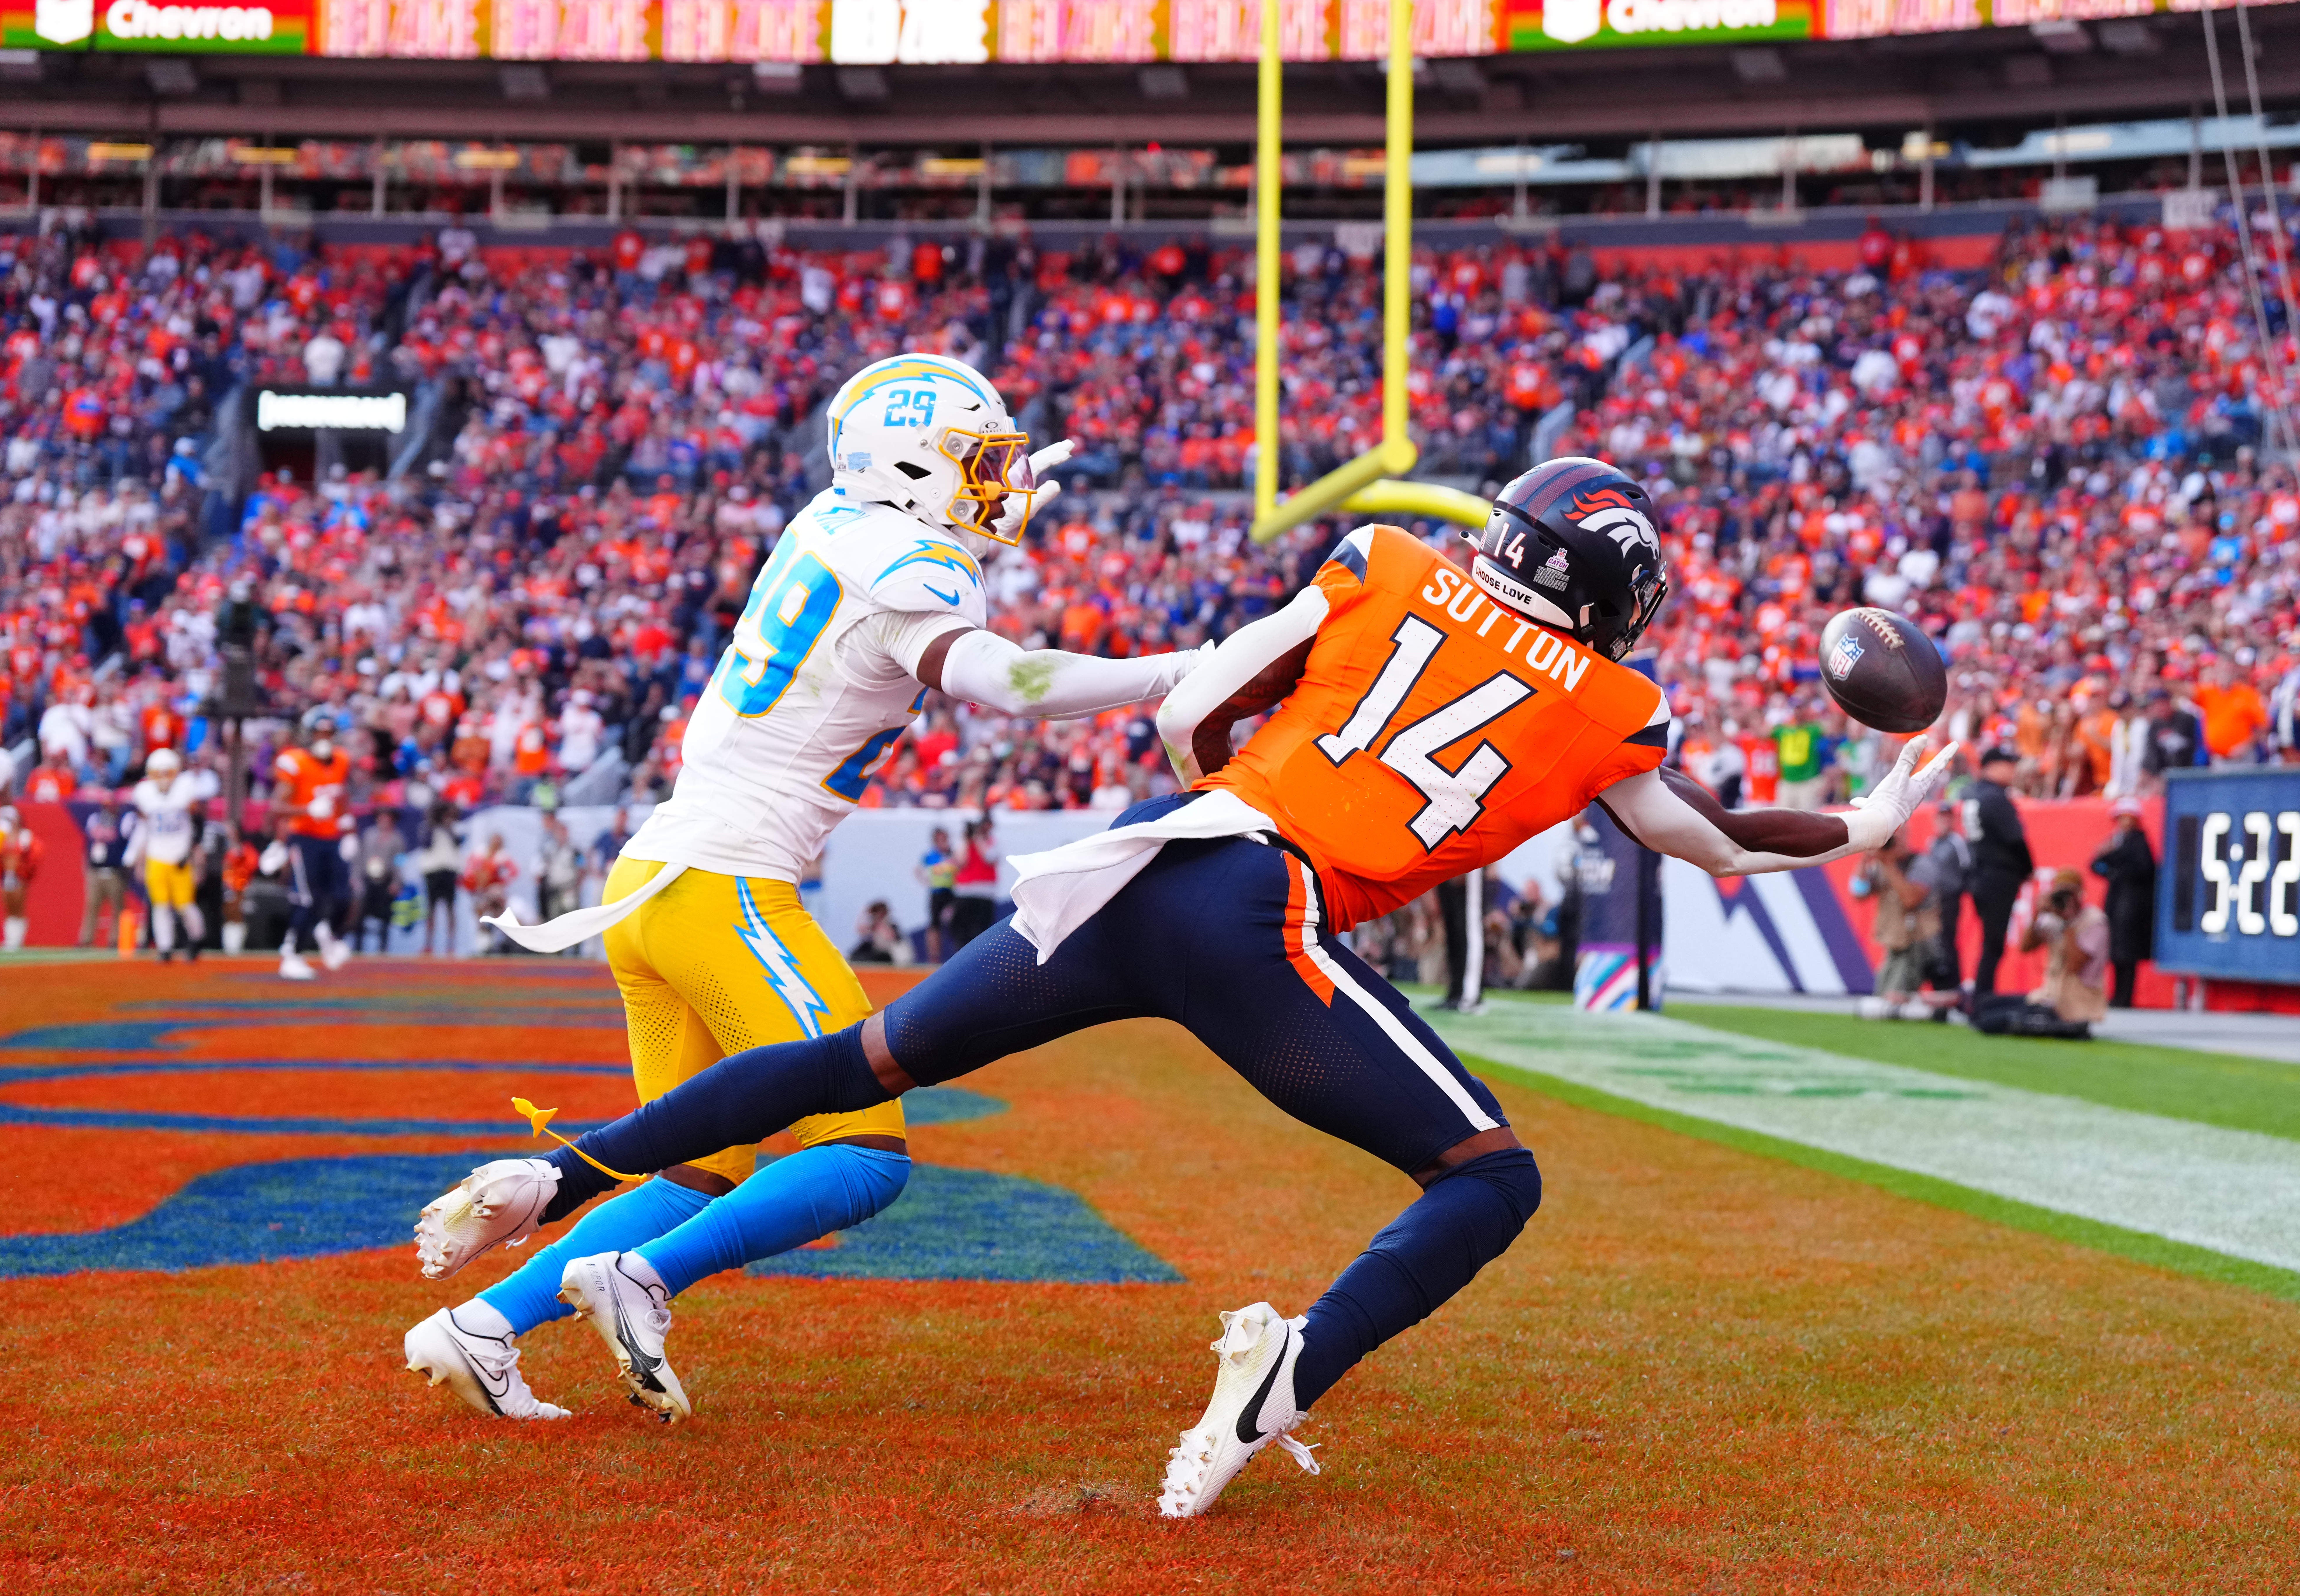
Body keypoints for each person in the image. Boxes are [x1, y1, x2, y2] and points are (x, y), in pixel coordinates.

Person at [415, 457, 1953, 1512]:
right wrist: (1871, 821)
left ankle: (555, 1178)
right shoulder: (1615, 702)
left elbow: (1193, 708)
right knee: (1490, 1175)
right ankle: (1287, 1368)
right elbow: (1712, 844)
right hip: (1261, 914)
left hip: (1141, 861)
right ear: (1610, 590)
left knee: (856, 1059)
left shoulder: (1383, 560)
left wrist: (1231, 795)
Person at [404, 354, 1200, 1423]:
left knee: (696, 1166)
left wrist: (966, 525)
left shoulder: (836, 523)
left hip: (657, 880)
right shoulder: (912, 570)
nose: (999, 484)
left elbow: (890, 612)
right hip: (725, 888)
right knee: (863, 1156)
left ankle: (481, 1325)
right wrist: (1175, 669)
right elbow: (1010, 681)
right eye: (975, 463)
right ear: (911, 468)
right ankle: (637, 1279)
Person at [1971, 870, 2108, 1037]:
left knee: (1990, 1022)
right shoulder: (2054, 918)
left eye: (2070, 893)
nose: (2066, 899)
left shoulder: (2095, 922)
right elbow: (2025, 948)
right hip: (2047, 997)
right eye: (2061, 893)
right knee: (1984, 1005)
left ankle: (2067, 1028)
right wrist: (2038, 914)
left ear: (2081, 894)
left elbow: (2075, 966)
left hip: (2075, 1007)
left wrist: (2069, 923)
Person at [271, 711, 353, 981]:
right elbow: (276, 806)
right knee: (307, 899)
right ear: (309, 735)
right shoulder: (296, 763)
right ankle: (292, 954)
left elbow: (342, 795)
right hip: (304, 837)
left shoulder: (341, 760)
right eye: (319, 733)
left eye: (329, 734)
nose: (324, 739)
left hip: (332, 837)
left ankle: (326, 933)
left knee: (343, 895)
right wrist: (307, 809)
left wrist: (347, 826)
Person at [128, 747, 217, 962]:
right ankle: (165, 948)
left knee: (185, 905)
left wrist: (196, 856)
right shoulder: (145, 794)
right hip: (156, 856)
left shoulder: (186, 789)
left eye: (167, 773)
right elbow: (143, 829)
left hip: (180, 857)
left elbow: (197, 825)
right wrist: (136, 859)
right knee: (160, 906)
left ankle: (197, 939)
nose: (163, 779)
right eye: (158, 774)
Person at [1962, 747, 2032, 1005]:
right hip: (1998, 874)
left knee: (1991, 942)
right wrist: (2028, 868)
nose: (2013, 770)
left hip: (1980, 872)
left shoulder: (1974, 794)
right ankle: (1983, 997)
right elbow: (2015, 839)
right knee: (1994, 943)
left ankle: (1982, 995)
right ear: (1991, 766)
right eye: (2008, 764)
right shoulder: (1995, 797)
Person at [1854, 845, 1937, 1020]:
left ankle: (1934, 1012)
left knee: (1894, 999)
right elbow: (1858, 893)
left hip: (1917, 942)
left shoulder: (1920, 863)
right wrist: (1865, 861)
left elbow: (1910, 900)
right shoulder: (1881, 866)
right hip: (1894, 941)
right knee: (1881, 996)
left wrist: (1889, 865)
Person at [2087, 801, 2156, 1009]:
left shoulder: (2139, 844)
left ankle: (2125, 998)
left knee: (2128, 952)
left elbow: (2145, 870)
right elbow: (2096, 867)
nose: (2122, 822)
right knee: (2117, 951)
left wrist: (2119, 872)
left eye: (2127, 818)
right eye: (2120, 818)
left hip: (2132, 907)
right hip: (2117, 903)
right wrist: (2105, 859)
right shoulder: (2117, 843)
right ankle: (2117, 995)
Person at [1914, 799, 1971, 1014]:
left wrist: (1959, 889)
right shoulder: (1933, 842)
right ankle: (1941, 986)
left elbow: (1967, 866)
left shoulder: (1957, 842)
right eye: (1941, 818)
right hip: (1934, 901)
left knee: (1947, 942)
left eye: (1948, 818)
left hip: (1949, 898)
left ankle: (1954, 987)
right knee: (1936, 943)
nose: (1944, 822)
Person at [75, 788, 132, 949]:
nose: (108, 807)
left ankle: (115, 940)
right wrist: (86, 865)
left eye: (111, 804)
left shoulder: (124, 820)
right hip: (95, 870)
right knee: (92, 905)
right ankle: (86, 939)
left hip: (115, 871)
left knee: (118, 907)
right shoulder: (95, 819)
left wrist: (127, 868)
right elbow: (88, 845)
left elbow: (128, 843)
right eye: (106, 804)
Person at [356, 809, 407, 954]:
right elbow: (359, 857)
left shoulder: (398, 839)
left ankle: (383, 948)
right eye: (381, 818)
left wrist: (397, 882)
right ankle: (358, 947)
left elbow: (400, 862)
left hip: (386, 880)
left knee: (385, 916)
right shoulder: (369, 835)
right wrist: (356, 878)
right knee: (362, 914)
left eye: (387, 818)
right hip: (368, 880)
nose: (384, 821)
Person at [0, 803, 41, 950]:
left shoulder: (25, 836)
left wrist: (24, 873)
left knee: (18, 908)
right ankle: (10, 940)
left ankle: (17, 940)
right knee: (8, 909)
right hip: (5, 876)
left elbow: (35, 855)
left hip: (20, 877)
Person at [419, 804, 464, 956]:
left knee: (450, 908)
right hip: (433, 870)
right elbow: (426, 844)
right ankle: (429, 944)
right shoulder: (428, 827)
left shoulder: (454, 828)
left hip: (449, 870)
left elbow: (459, 842)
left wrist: (448, 828)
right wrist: (433, 825)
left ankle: (451, 945)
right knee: (431, 908)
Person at [949, 818, 998, 947]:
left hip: (984, 893)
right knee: (962, 931)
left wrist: (979, 839)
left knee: (982, 931)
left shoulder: (992, 842)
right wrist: (966, 841)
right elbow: (960, 862)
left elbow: (990, 857)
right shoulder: (963, 844)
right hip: (964, 893)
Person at [915, 826, 957, 962]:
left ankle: (958, 953)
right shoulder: (931, 856)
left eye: (944, 839)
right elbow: (918, 870)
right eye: (939, 840)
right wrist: (927, 882)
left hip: (952, 893)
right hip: (937, 893)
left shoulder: (953, 854)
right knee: (934, 925)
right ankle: (934, 957)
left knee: (956, 923)